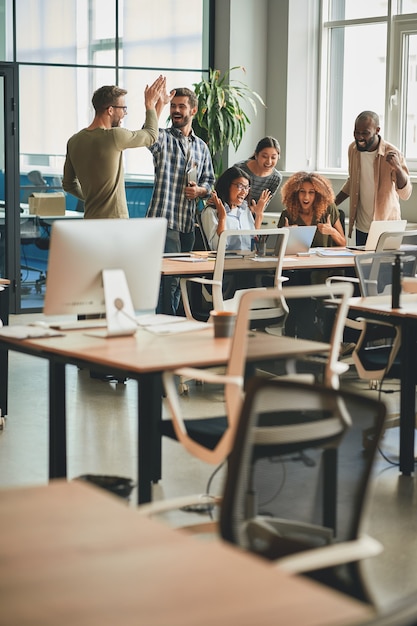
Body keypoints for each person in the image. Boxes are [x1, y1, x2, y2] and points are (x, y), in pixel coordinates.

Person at [146, 87, 215, 315]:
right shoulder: (163, 137)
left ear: (193, 110)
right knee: (168, 280)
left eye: (181, 106)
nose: (176, 110)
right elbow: (148, 137)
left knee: (181, 280)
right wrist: (157, 105)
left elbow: (209, 182)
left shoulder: (201, 146)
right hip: (165, 221)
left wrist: (200, 191)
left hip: (187, 224)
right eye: (173, 106)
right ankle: (163, 325)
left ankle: (170, 322)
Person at [62, 76, 166, 219]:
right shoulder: (114, 137)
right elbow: (151, 135)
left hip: (90, 220)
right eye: (123, 108)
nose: (125, 113)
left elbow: (68, 185)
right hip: (116, 222)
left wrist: (94, 199)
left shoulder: (74, 141)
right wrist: (150, 104)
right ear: (110, 110)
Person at [278, 171, 345, 339]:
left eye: (311, 192)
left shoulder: (328, 210)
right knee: (299, 291)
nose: (306, 196)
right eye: (302, 191)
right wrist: (286, 234)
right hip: (297, 270)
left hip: (324, 268)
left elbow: (343, 242)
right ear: (295, 193)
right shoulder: (288, 215)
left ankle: (325, 335)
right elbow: (277, 249)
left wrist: (331, 231)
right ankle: (307, 333)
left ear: (319, 194)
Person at [335, 110, 412, 245]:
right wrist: (331, 203)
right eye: (356, 132)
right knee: (362, 265)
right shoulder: (353, 149)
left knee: (386, 266)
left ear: (377, 130)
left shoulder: (392, 153)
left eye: (365, 133)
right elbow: (352, 181)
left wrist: (398, 168)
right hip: (362, 226)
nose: (359, 137)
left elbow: (405, 193)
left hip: (386, 227)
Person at [201, 165, 272, 251]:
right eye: (240, 186)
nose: (244, 192)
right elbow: (216, 248)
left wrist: (259, 215)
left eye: (246, 188)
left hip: (247, 260)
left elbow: (253, 243)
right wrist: (222, 218)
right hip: (227, 261)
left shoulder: (245, 209)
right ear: (227, 185)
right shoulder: (211, 211)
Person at [234, 136, 282, 206]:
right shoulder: (239, 169)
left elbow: (263, 205)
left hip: (254, 214)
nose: (269, 162)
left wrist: (255, 212)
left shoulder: (276, 178)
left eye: (273, 157)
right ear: (256, 155)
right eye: (264, 156)